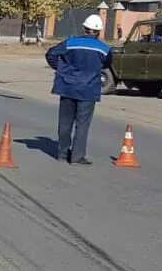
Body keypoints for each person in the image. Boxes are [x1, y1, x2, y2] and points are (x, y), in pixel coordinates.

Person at [45, 14, 112, 165]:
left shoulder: (70, 43)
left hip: (68, 87)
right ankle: (77, 156)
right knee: (82, 124)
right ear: (99, 32)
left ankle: (62, 154)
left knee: (65, 122)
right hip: (88, 90)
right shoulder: (104, 49)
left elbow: (50, 54)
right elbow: (107, 64)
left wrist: (61, 68)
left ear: (84, 29)